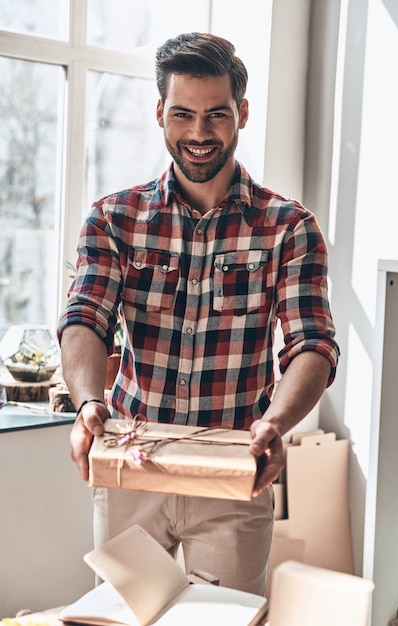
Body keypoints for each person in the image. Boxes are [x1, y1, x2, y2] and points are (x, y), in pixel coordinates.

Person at [58, 32, 339, 596]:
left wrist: (275, 425)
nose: (199, 133)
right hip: (133, 466)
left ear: (243, 114)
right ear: (161, 113)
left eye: (217, 115)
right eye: (183, 114)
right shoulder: (114, 219)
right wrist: (90, 402)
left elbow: (312, 345)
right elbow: (86, 318)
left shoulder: (289, 227)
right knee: (121, 617)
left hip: (235, 469)